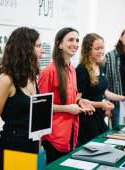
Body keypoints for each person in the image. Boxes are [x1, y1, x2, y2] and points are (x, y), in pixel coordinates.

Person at [38, 27, 95, 164]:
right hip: (54, 136)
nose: (75, 44)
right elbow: (41, 107)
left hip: (70, 132)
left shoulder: (72, 70)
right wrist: (67, 109)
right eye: (70, 40)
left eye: (77, 40)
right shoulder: (49, 71)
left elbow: (71, 98)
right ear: (59, 44)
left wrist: (80, 101)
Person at [0, 27, 44, 170]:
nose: (42, 51)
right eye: (38, 46)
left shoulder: (31, 76)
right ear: (25, 49)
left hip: (31, 143)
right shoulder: (6, 79)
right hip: (14, 145)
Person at [76, 33, 125, 146]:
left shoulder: (100, 66)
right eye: (97, 48)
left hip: (100, 117)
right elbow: (78, 100)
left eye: (102, 48)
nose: (101, 51)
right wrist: (102, 105)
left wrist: (124, 98)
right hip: (87, 121)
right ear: (87, 50)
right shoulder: (81, 70)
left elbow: (104, 92)